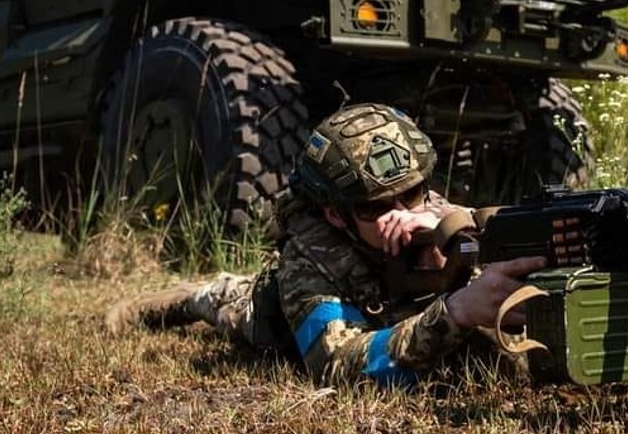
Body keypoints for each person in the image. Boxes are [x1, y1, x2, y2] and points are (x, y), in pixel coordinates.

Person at [104, 102, 546, 386]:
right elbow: (336, 365)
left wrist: (455, 230)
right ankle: (172, 299)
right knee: (223, 301)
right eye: (375, 208)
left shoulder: (436, 211)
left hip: (395, 313)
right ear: (336, 213)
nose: (401, 213)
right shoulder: (308, 257)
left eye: (412, 194)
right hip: (273, 317)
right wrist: (458, 312)